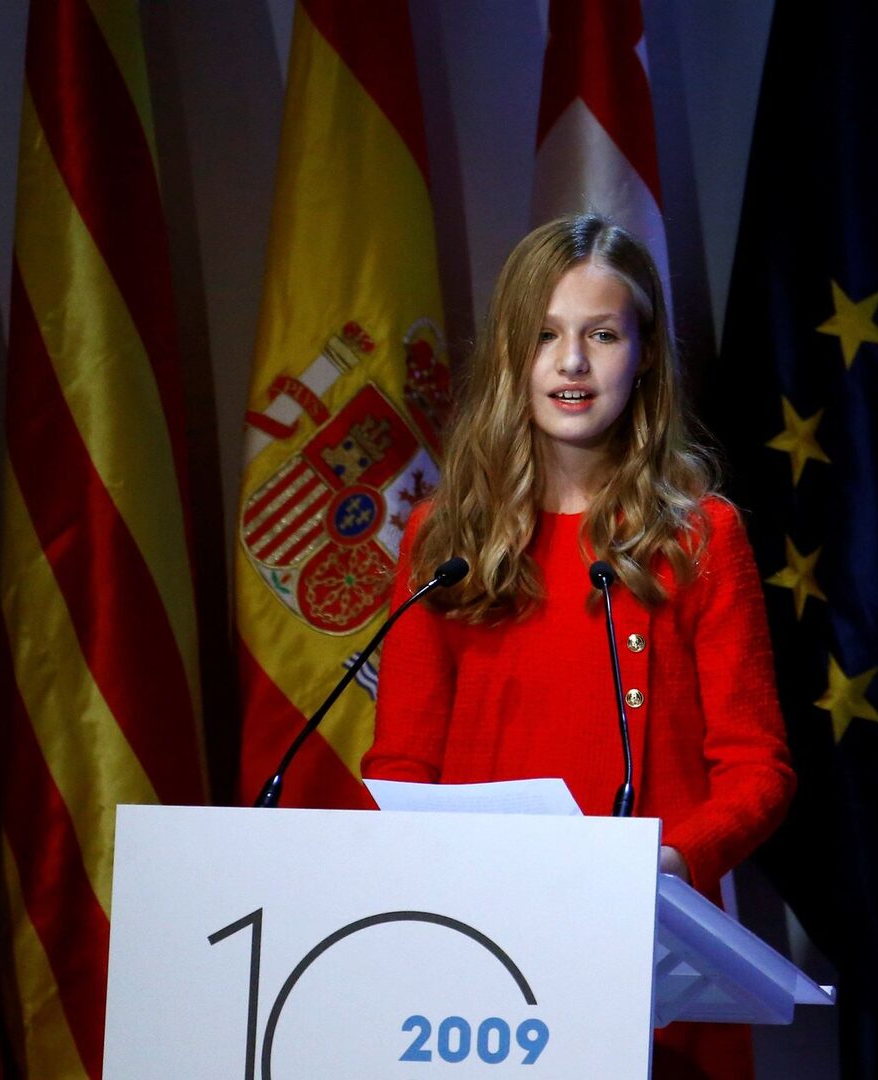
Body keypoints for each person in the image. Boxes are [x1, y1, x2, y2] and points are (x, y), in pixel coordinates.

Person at [362, 213, 795, 1080]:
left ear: (644, 357)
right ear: (510, 356)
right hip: (478, 951)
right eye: (545, 335)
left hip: (652, 953)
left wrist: (665, 863)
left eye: (601, 335)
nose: (570, 363)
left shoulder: (698, 537)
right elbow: (401, 762)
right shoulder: (444, 539)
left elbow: (758, 771)